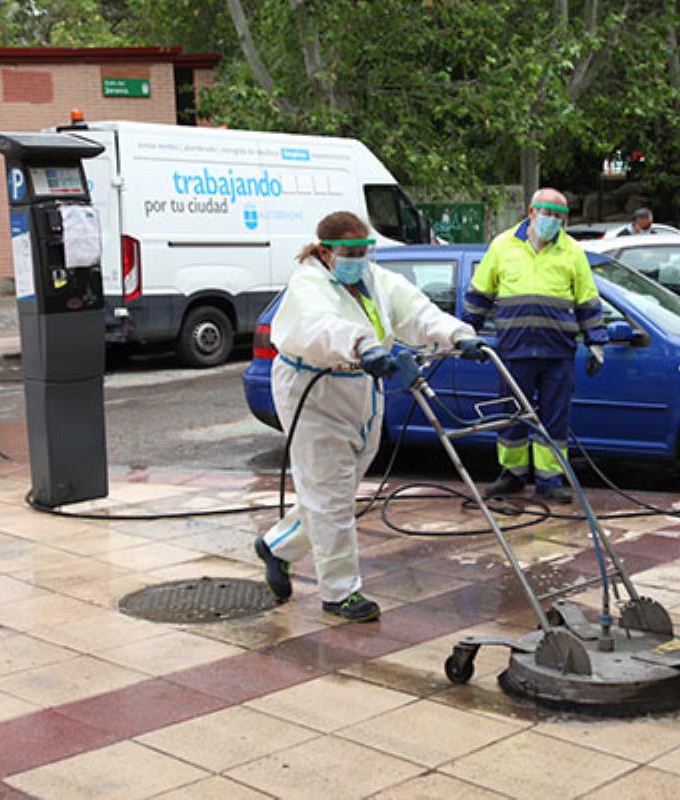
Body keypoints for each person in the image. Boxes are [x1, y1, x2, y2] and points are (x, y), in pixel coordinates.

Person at [254, 211, 486, 622]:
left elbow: (416, 311)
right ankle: (340, 592)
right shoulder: (308, 283)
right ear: (326, 253)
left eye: (365, 252)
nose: (359, 260)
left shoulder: (375, 280)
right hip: (314, 388)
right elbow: (321, 325)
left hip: (361, 385)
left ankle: (278, 545)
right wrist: (364, 345)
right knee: (330, 493)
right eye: (350, 253)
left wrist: (457, 335)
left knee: (337, 489)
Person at [462, 188, 608, 504]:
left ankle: (549, 479)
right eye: (548, 214)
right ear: (531, 212)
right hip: (514, 350)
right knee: (511, 414)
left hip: (558, 351)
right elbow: (479, 295)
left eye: (559, 216)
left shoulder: (572, 252)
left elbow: (587, 301)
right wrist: (463, 333)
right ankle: (512, 475)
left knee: (555, 417)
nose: (553, 221)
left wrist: (596, 342)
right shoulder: (502, 246)